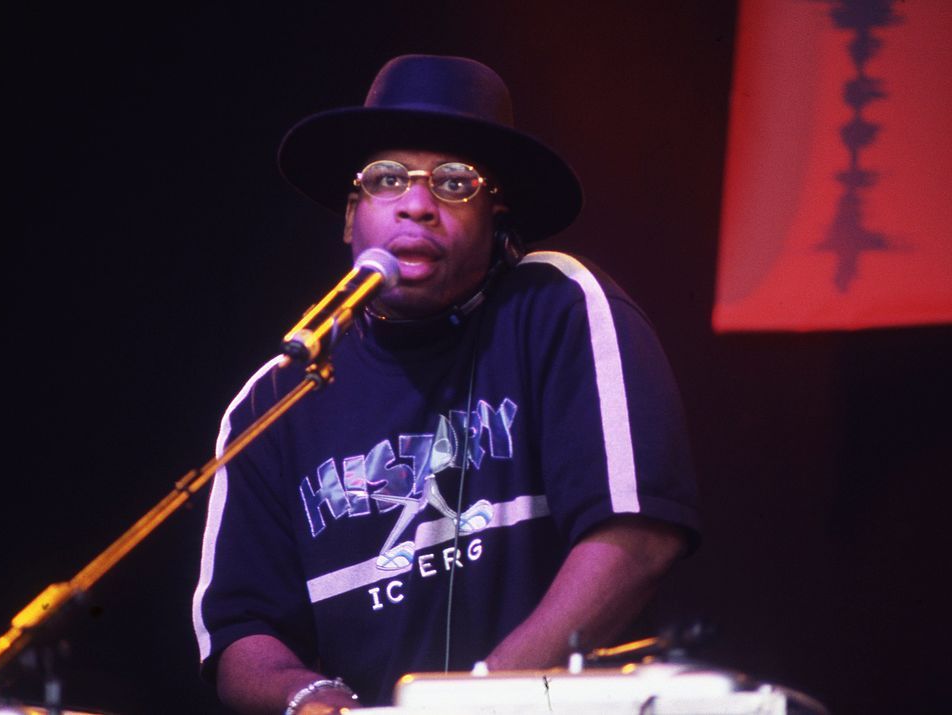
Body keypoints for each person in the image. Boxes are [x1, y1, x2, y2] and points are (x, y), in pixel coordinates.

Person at [192, 55, 699, 714]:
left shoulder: (557, 307)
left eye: (456, 183)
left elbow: (637, 540)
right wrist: (305, 694)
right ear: (351, 216)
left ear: (497, 217)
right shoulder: (274, 400)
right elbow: (241, 632)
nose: (418, 204)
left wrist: (478, 701)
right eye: (387, 178)